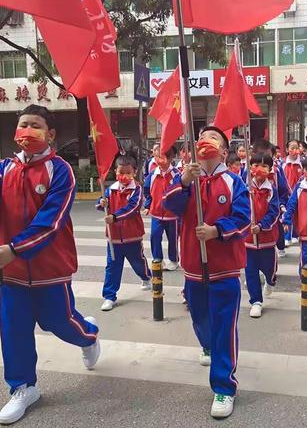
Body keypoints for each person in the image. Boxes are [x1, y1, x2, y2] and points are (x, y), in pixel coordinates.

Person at [0, 105, 100, 425]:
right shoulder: (4, 169)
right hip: (12, 273)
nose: (27, 130)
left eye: (35, 125)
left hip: (50, 269)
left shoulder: (60, 170)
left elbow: (50, 222)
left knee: (61, 323)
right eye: (23, 125)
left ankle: (89, 336)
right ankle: (24, 388)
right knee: (13, 330)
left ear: (50, 134)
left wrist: (14, 249)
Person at [164, 126, 250, 419]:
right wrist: (184, 183)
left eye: (213, 138)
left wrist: (216, 231)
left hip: (224, 270)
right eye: (202, 137)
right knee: (201, 320)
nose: (206, 141)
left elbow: (243, 220)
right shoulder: (187, 179)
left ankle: (224, 386)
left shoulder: (234, 182)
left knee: (224, 329)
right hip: (193, 268)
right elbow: (168, 206)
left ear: (224, 151)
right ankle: (209, 346)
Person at [97, 155, 152, 311]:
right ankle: (109, 296)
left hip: (132, 235)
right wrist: (101, 203)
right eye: (121, 172)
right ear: (115, 172)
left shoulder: (137, 189)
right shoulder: (110, 189)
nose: (124, 176)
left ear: (134, 172)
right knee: (112, 266)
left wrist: (114, 217)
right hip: (113, 237)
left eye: (128, 172)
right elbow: (102, 204)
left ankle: (146, 277)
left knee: (137, 262)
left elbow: (133, 208)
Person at [244, 153, 280, 318]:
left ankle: (270, 281)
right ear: (251, 167)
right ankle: (256, 301)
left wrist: (261, 226)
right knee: (250, 271)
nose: (260, 169)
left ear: (270, 169)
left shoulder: (271, 189)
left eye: (264, 166)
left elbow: (274, 212)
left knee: (269, 269)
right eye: (256, 165)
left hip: (267, 239)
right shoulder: (244, 186)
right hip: (248, 240)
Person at [250, 139, 290, 258]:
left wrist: (282, 204)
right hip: (255, 206)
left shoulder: (276, 170)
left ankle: (279, 246)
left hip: (272, 203)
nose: (263, 159)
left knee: (276, 225)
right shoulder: (249, 171)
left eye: (267, 156)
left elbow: (284, 188)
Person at [143, 147, 181, 272]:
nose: (158, 160)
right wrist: (148, 205)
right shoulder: (153, 174)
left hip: (172, 215)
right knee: (155, 235)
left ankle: (174, 260)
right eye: (157, 157)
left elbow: (181, 192)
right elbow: (147, 190)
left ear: (170, 158)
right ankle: (158, 259)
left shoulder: (176, 174)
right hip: (156, 213)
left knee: (173, 238)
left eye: (162, 157)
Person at [283, 140, 303, 246]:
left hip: (299, 193)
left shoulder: (302, 163)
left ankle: (296, 234)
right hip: (287, 194)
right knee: (287, 213)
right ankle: (286, 237)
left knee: (298, 214)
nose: (295, 150)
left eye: (297, 148)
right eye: (292, 148)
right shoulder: (283, 163)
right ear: (287, 150)